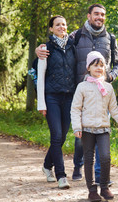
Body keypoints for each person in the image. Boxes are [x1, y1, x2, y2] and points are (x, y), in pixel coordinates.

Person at [36, 3, 118, 183]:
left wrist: (110, 78)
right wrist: (39, 50)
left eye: (103, 15)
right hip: (79, 92)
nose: (100, 17)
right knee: (78, 135)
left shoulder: (110, 38)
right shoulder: (75, 36)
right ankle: (76, 167)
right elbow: (56, 50)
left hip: (101, 93)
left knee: (101, 132)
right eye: (96, 14)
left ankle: (100, 176)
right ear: (89, 15)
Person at [71, 51, 118, 201]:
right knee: (88, 159)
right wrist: (77, 127)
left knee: (105, 157)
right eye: (95, 65)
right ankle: (92, 190)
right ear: (89, 67)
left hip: (103, 128)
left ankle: (104, 187)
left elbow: (114, 109)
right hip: (87, 129)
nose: (99, 68)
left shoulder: (108, 88)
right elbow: (75, 108)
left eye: (102, 65)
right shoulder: (82, 87)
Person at [37, 15, 76, 189]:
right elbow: (40, 77)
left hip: (69, 97)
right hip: (51, 97)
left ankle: (47, 165)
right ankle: (61, 176)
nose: (61, 27)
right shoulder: (46, 48)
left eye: (64, 24)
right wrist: (41, 104)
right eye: (57, 25)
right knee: (56, 136)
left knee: (62, 136)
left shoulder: (72, 46)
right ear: (51, 28)